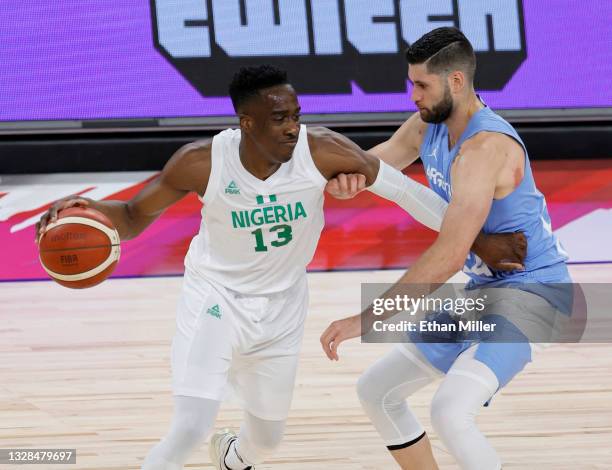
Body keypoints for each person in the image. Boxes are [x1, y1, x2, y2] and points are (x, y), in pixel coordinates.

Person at [36, 65, 524, 470]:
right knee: (189, 429)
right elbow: (136, 215)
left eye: (295, 115)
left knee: (267, 440)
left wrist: (478, 240)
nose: (292, 126)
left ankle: (233, 458)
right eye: (278, 118)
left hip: (283, 310)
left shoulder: (322, 150)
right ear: (246, 122)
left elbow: (405, 190)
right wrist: (91, 211)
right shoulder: (201, 162)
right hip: (216, 299)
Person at [321, 27, 571, 470]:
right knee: (376, 391)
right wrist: (343, 181)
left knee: (451, 412)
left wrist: (366, 319)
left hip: (534, 295)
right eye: (411, 83)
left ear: (456, 81)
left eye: (421, 85)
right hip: (484, 289)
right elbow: (382, 161)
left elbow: (447, 255)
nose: (412, 95)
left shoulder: (484, 148)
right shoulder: (428, 125)